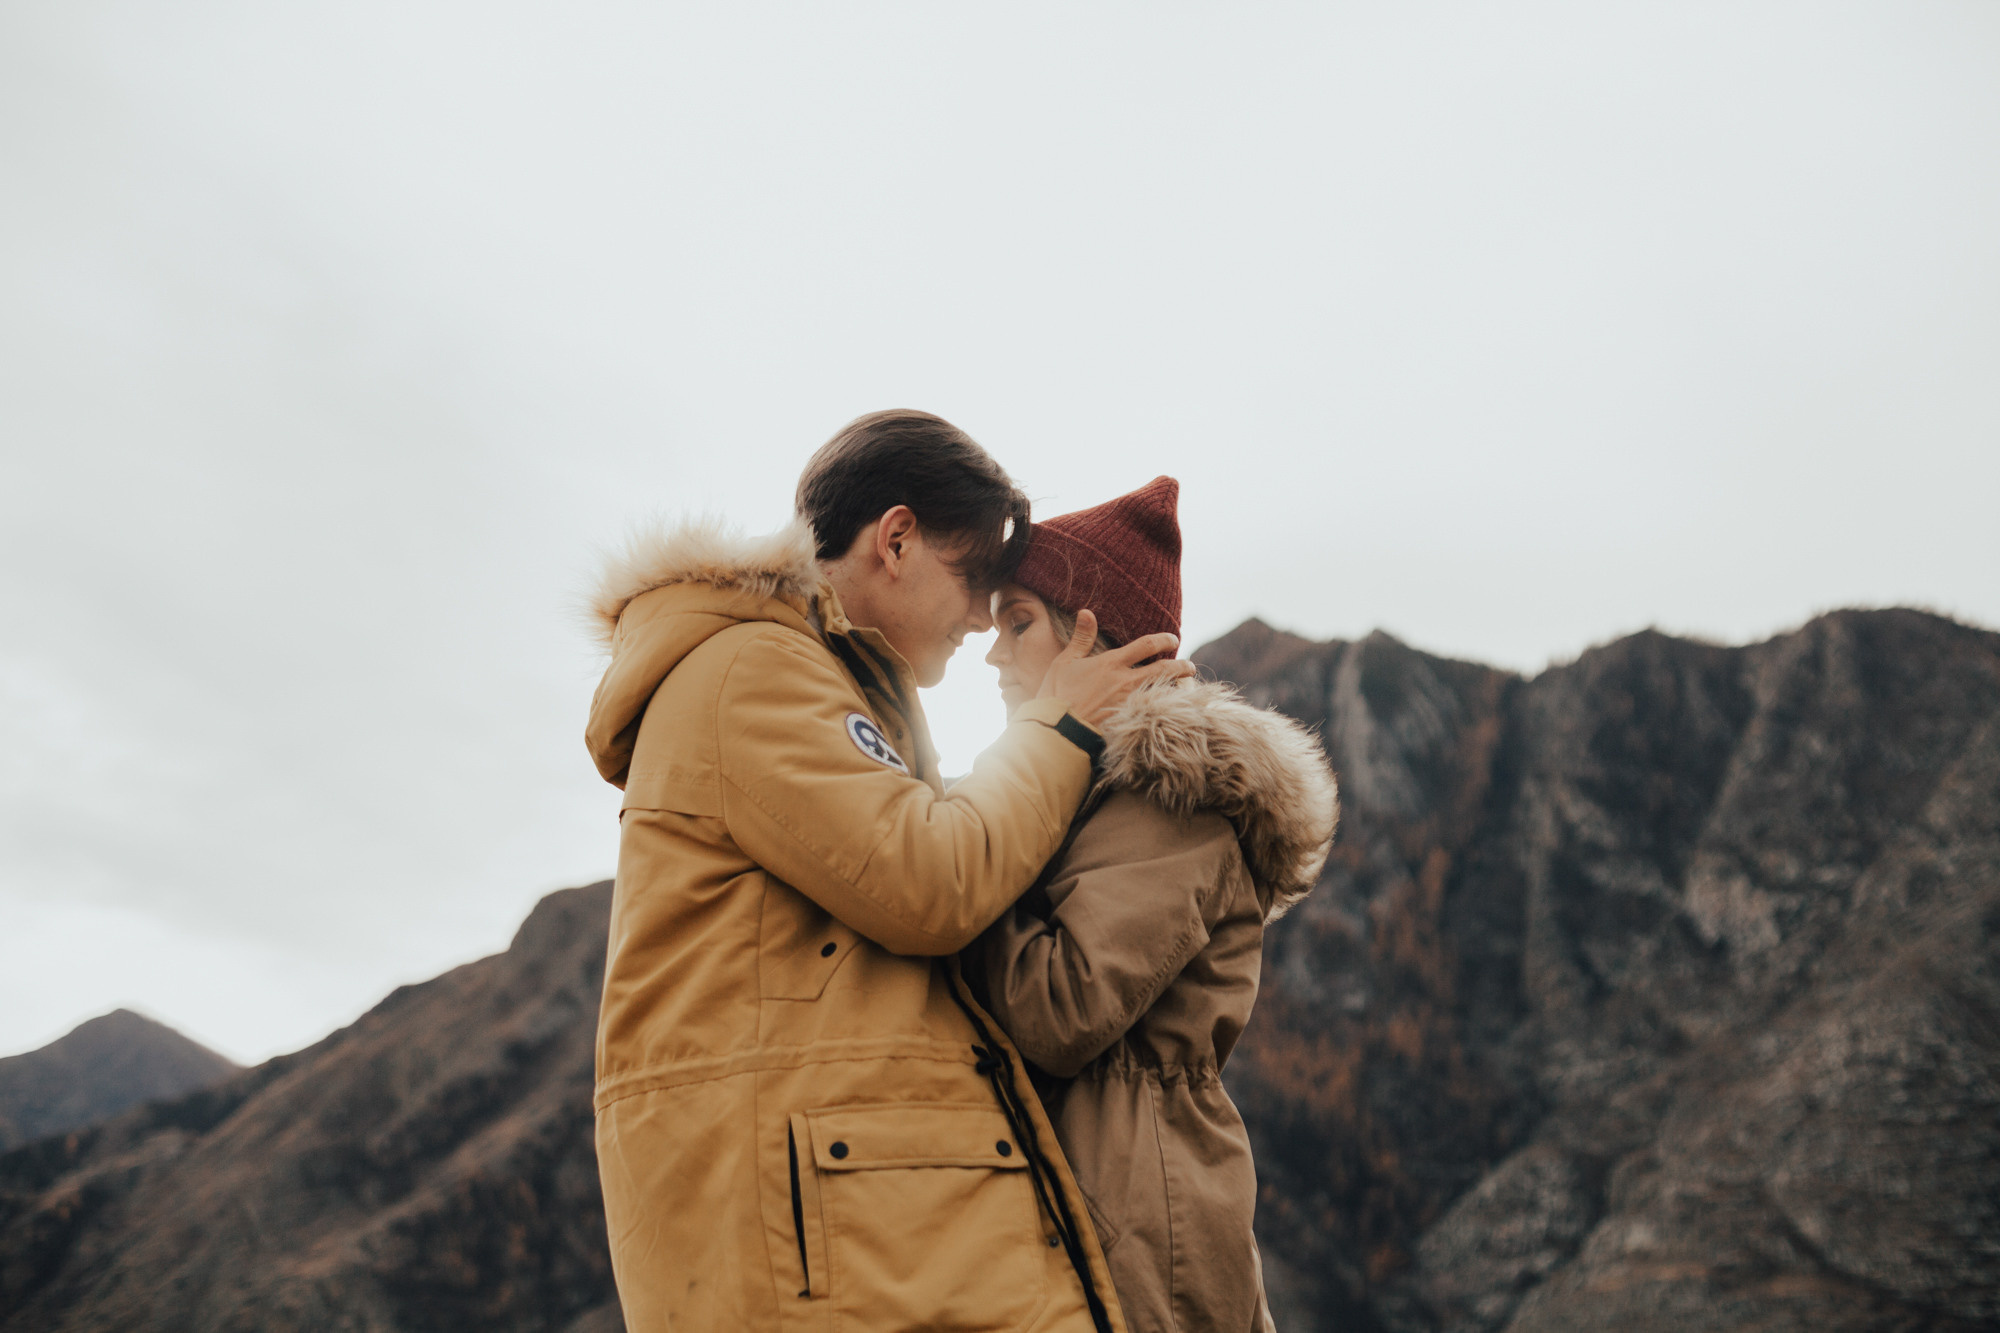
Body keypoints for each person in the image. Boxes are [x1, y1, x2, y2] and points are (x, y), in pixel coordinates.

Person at [583, 410, 1193, 1332]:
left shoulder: (817, 679)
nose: (983, 617)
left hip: (846, 1217)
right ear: (897, 539)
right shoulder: (757, 668)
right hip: (821, 1232)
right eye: (976, 578)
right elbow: (931, 880)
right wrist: (1060, 726)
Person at [975, 476, 1339, 1333]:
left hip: (1141, 1214)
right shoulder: (1083, 789)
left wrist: (964, 862)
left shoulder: (1168, 796)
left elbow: (1061, 1009)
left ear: (1091, 633)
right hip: (1105, 1196)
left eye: (1018, 621)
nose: (994, 654)